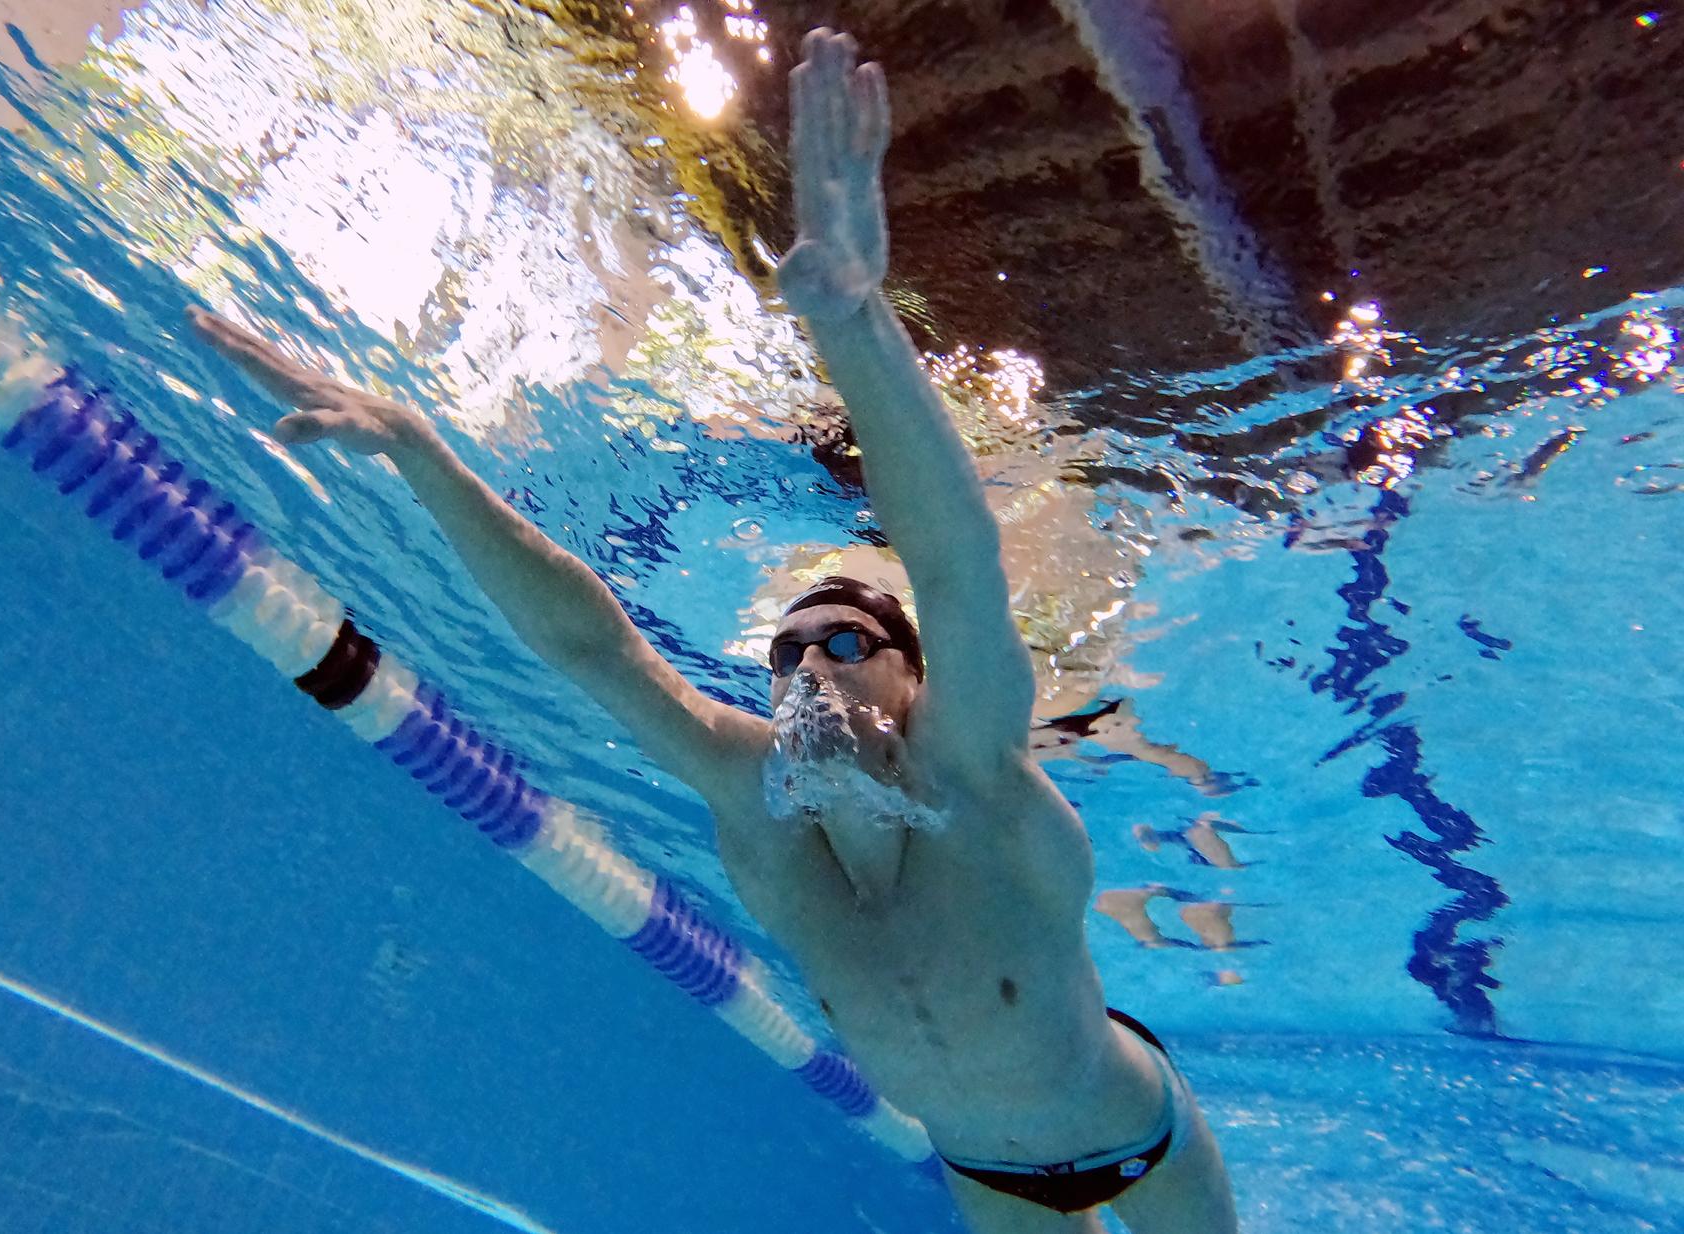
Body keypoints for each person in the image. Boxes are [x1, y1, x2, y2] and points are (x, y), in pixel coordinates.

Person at [189, 27, 1238, 1233]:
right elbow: (593, 647)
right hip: (984, 1174)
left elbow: (955, 558)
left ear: (915, 678)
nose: (810, 668)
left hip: (1133, 1133)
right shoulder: (755, 795)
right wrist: (422, 452)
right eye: (788, 653)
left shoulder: (971, 769)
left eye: (847, 643)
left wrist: (851, 320)